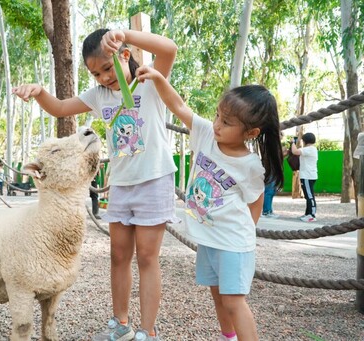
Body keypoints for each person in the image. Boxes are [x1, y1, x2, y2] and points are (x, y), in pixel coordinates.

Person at [13, 28, 179, 341]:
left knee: (146, 257)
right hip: (121, 184)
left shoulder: (149, 80)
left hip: (154, 180)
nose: (103, 78)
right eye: (95, 73)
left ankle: (148, 330)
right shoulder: (100, 95)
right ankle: (120, 324)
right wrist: (39, 92)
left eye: (106, 68)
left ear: (124, 55)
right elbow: (61, 108)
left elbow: (169, 48)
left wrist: (124, 33)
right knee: (118, 256)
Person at [136, 65, 284, 341]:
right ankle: (228, 337)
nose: (217, 124)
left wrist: (243, 234)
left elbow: (256, 201)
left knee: (234, 302)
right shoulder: (206, 134)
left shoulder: (249, 165)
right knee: (218, 298)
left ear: (251, 133)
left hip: (233, 244)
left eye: (227, 122)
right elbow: (178, 106)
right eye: (218, 115)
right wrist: (157, 78)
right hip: (210, 241)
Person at [290, 132, 318, 222]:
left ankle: (312, 215)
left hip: (307, 176)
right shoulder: (310, 149)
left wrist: (292, 143)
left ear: (305, 141)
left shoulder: (309, 149)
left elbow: (295, 151)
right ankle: (307, 214)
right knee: (308, 195)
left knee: (309, 196)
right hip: (309, 175)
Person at [261, 132, 288, 218]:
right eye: (280, 134)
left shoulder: (274, 145)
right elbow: (273, 157)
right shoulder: (270, 144)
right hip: (270, 169)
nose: (282, 136)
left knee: (271, 191)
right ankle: (266, 211)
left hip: (274, 169)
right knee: (269, 191)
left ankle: (269, 210)